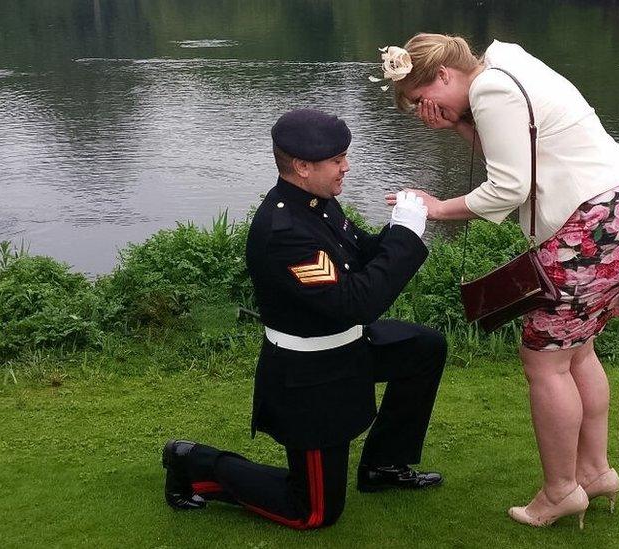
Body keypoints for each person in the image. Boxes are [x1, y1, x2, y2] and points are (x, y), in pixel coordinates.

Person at [379, 34, 619, 528]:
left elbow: (510, 186)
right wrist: (458, 126)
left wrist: (437, 208)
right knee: (579, 352)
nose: (426, 111)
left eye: (424, 100)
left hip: (591, 228)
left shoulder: (491, 92)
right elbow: (518, 154)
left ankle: (558, 492)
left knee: (544, 361)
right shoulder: (505, 65)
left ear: (444, 75)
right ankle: (592, 473)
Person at [161, 109, 447, 530]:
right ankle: (192, 462)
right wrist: (405, 239)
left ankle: (383, 466)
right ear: (301, 166)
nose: (346, 166)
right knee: (312, 511)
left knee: (424, 348)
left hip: (347, 346)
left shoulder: (318, 205)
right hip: (311, 377)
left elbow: (358, 256)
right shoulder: (285, 232)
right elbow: (355, 303)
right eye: (337, 160)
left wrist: (400, 227)